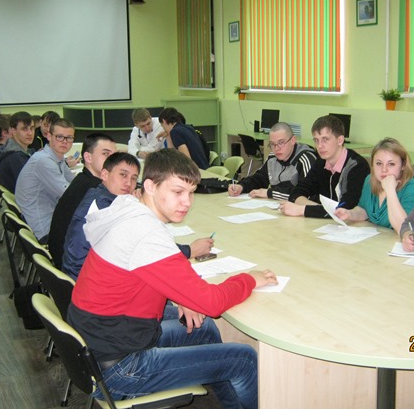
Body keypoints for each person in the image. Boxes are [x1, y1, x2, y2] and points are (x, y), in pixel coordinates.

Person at [67, 149, 277, 408]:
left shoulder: (127, 210)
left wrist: (183, 297)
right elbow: (211, 303)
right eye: (178, 192)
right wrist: (249, 279)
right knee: (243, 359)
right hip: (119, 367)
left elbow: (144, 274)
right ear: (150, 186)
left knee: (203, 328)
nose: (187, 202)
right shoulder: (146, 233)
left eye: (191, 192)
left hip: (100, 343)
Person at [62, 152, 214, 280]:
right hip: (81, 278)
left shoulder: (100, 195)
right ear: (105, 174)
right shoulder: (105, 206)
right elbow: (152, 248)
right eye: (123, 175)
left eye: (134, 178)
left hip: (84, 279)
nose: (129, 183)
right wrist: (189, 250)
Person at [46, 133, 117, 266]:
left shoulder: (82, 179)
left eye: (115, 156)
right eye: (106, 154)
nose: (114, 161)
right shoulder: (95, 190)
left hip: (60, 257)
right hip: (71, 265)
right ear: (88, 157)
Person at [280, 115, 370, 218]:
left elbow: (345, 209)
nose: (319, 146)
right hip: (325, 223)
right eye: (316, 140)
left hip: (352, 225)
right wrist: (319, 209)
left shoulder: (357, 167)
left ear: (340, 140)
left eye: (325, 139)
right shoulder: (321, 162)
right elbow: (296, 193)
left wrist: (302, 209)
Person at [335, 138, 414, 230]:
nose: (384, 169)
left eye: (391, 164)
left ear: (403, 165)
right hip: (378, 236)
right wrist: (349, 214)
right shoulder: (370, 180)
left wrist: (390, 191)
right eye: (379, 163)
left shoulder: (412, 187)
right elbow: (364, 210)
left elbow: (404, 228)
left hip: (401, 238)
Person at [15, 118, 76, 243]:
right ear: (49, 136)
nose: (64, 142)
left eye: (69, 138)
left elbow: (74, 182)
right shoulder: (44, 161)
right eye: (60, 137)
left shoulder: (57, 158)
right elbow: (69, 194)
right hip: (44, 228)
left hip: (47, 214)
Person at [228, 122, 317, 200]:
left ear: (293, 140)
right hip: (277, 206)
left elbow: (306, 194)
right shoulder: (273, 158)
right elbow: (259, 178)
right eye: (272, 144)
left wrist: (269, 193)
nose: (276, 148)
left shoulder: (306, 159)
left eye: (281, 143)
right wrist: (242, 186)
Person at [0, 112, 35, 193]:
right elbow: (31, 187)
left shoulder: (14, 150)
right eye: (24, 129)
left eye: (32, 128)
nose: (30, 133)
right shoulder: (15, 158)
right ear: (13, 131)